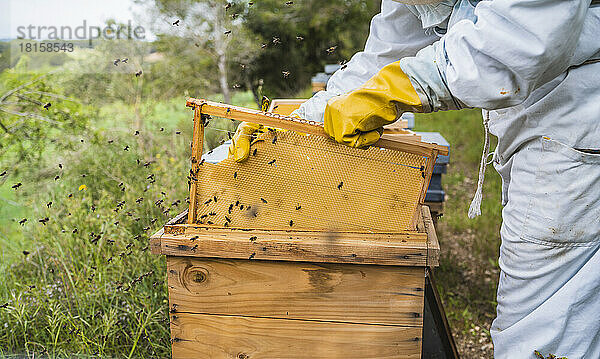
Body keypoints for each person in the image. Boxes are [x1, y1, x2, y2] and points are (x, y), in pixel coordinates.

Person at [229, 1, 600, 357]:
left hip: (579, 116)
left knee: (545, 324)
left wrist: (396, 89)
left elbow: (520, 38)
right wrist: (299, 121)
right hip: (543, 116)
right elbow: (387, 53)